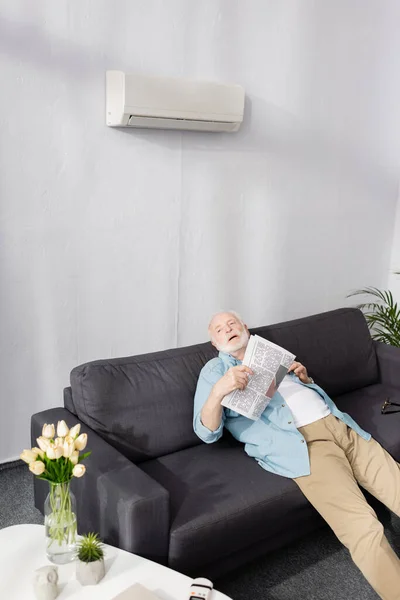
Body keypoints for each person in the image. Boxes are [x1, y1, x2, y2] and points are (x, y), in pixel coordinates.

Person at [193, 310, 400, 600]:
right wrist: (218, 392)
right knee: (363, 527)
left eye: (232, 323)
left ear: (245, 328)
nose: (227, 329)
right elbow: (206, 432)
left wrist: (305, 378)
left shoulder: (269, 353)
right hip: (304, 445)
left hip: (342, 426)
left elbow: (300, 395)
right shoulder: (215, 371)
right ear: (214, 343)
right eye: (218, 329)